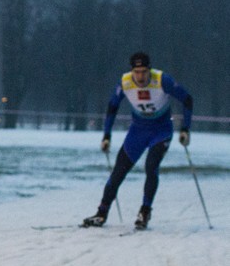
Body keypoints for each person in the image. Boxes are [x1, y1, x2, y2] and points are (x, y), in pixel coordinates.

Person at [82, 52, 193, 230]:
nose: (140, 76)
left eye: (143, 71)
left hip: (161, 131)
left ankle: (145, 211)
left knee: (151, 166)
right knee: (118, 172)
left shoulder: (162, 79)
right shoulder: (125, 82)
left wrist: (186, 128)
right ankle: (101, 213)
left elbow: (187, 99)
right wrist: (106, 135)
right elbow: (112, 107)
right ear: (132, 71)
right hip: (138, 132)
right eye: (137, 72)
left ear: (149, 70)